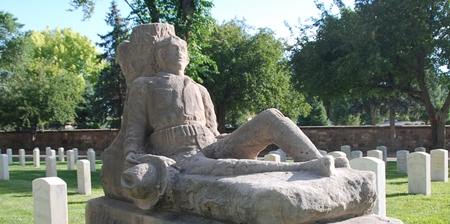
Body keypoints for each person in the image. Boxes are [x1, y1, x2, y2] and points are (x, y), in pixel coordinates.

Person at [121, 35, 344, 207]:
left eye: (182, 49)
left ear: (188, 57)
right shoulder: (145, 85)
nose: (178, 53)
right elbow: (135, 127)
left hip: (212, 144)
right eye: (171, 49)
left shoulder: (199, 89)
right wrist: (132, 152)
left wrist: (235, 140)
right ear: (160, 57)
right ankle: (309, 168)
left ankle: (316, 159)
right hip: (179, 153)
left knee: (271, 117)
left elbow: (212, 128)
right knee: (225, 168)